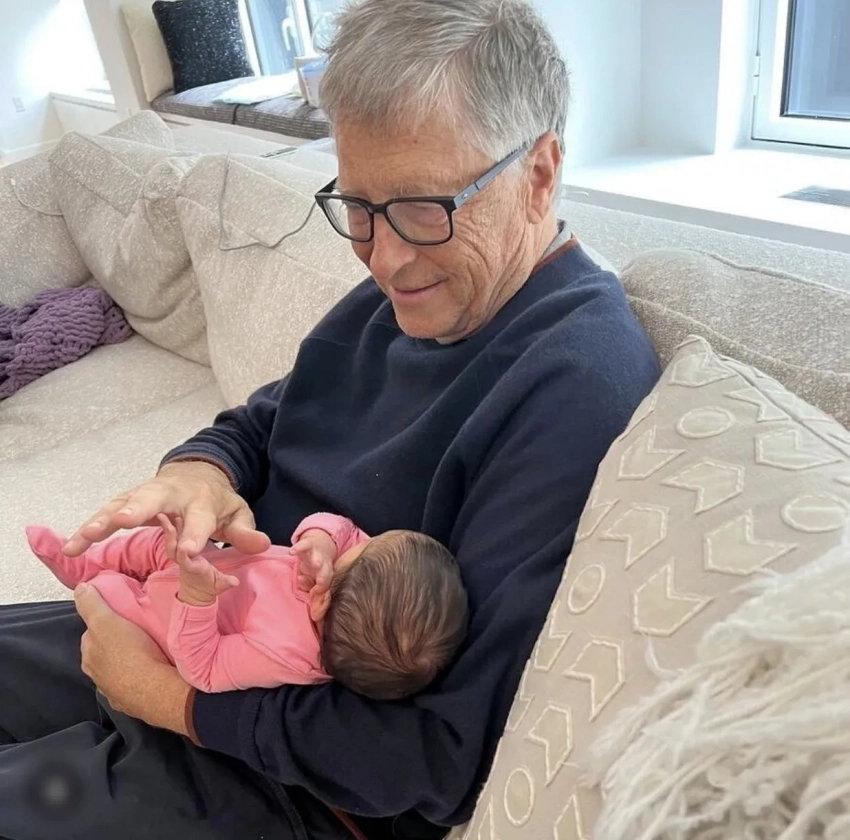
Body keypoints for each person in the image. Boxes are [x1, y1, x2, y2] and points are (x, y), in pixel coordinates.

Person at [0, 0, 660, 838]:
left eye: (425, 207)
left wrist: (175, 702)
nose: (385, 257)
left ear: (538, 175)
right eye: (360, 207)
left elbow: (440, 756)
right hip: (186, 616)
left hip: (283, 778)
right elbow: (259, 424)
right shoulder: (407, 298)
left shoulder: (577, 385)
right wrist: (200, 472)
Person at [25, 513, 468, 697]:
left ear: (321, 599)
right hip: (210, 562)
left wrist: (197, 598)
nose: (356, 541)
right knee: (159, 541)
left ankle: (91, 578)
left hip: (161, 619)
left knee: (108, 592)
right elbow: (345, 529)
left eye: (356, 550)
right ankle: (79, 562)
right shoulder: (350, 584)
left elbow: (204, 669)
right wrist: (323, 540)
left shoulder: (283, 655)